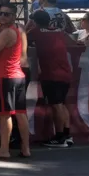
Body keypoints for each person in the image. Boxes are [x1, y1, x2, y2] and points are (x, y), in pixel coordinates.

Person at [0, 3, 31, 159]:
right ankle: (25, 148)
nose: (3, 16)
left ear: (13, 16)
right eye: (1, 13)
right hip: (19, 75)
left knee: (5, 114)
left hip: (6, 76)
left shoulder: (6, 32)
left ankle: (4, 149)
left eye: (7, 14)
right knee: (20, 113)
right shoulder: (19, 29)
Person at [28, 10, 75, 148]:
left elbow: (22, 39)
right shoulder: (59, 31)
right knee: (61, 104)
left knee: (56, 105)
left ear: (35, 22)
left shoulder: (36, 32)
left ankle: (60, 137)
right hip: (65, 71)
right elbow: (74, 42)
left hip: (51, 73)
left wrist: (28, 27)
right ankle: (67, 135)